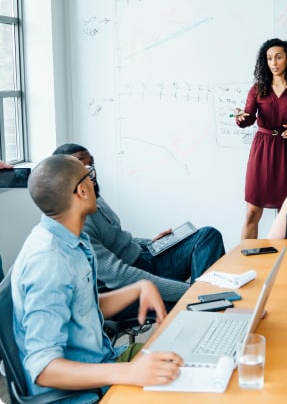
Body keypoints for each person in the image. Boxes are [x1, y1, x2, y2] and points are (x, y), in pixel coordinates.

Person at [11, 154, 183, 402]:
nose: (94, 182)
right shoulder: (49, 261)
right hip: (82, 394)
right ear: (81, 191)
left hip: (105, 362)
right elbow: (44, 368)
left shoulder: (72, 239)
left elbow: (83, 307)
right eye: (89, 176)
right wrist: (130, 372)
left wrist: (138, 288)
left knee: (191, 362)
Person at [53, 143, 225, 320]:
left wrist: (152, 243)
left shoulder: (91, 193)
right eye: (83, 166)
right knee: (188, 303)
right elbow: (120, 276)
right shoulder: (77, 224)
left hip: (143, 258)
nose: (91, 173)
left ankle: (205, 301)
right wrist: (191, 292)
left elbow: (116, 237)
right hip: (121, 289)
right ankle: (205, 305)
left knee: (207, 235)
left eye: (92, 165)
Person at [234, 38, 287, 239]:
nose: (273, 62)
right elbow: (247, 118)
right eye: (269, 58)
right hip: (262, 152)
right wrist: (240, 118)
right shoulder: (257, 89)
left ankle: (284, 264)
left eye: (278, 57)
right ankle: (244, 262)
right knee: (252, 213)